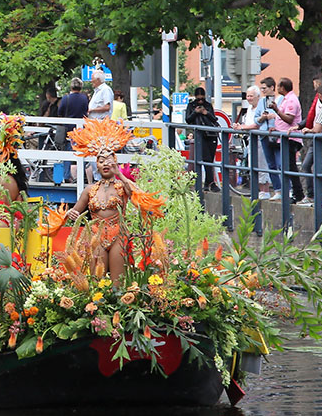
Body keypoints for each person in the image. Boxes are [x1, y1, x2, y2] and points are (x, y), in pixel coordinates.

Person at [64, 118, 165, 283]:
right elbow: (74, 212)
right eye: (101, 160)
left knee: (118, 284)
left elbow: (137, 194)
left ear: (115, 162)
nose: (105, 163)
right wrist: (71, 213)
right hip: (96, 236)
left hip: (118, 236)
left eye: (109, 160)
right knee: (97, 282)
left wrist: (119, 174)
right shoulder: (89, 190)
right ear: (96, 164)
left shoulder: (121, 186)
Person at [233, 85, 273, 198]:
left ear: (257, 97)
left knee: (262, 164)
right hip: (252, 139)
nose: (249, 98)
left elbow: (257, 125)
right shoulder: (249, 109)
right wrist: (240, 126)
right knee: (253, 164)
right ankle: (258, 190)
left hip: (260, 138)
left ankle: (265, 190)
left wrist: (242, 128)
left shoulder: (260, 108)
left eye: (251, 96)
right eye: (247, 96)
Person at [271, 77, 304, 202]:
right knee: (287, 167)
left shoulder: (291, 100)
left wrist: (277, 110)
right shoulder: (286, 99)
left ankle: (298, 194)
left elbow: (289, 119)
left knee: (291, 167)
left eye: (278, 86)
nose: (277, 88)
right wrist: (277, 128)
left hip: (291, 138)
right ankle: (295, 193)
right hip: (285, 137)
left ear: (283, 87)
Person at [185, 86, 218, 191]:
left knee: (210, 159)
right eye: (198, 99)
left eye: (202, 99)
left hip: (211, 134)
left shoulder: (208, 105)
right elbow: (188, 120)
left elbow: (214, 119)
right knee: (206, 158)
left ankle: (208, 183)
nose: (200, 101)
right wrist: (195, 112)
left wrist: (206, 113)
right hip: (200, 135)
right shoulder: (191, 106)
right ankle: (211, 183)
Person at [299, 74, 322, 185]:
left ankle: (321, 195)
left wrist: (311, 129)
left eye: (315, 84)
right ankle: (312, 195)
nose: (314, 87)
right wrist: (300, 126)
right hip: (317, 136)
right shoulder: (317, 98)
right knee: (307, 165)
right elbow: (313, 115)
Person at [256, 77, 282, 200]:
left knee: (280, 163)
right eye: (261, 88)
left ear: (272, 88)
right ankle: (277, 190)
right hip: (264, 134)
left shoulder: (280, 99)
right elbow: (256, 118)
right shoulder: (261, 102)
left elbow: (285, 116)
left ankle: (287, 189)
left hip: (276, 135)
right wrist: (262, 118)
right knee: (271, 164)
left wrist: (274, 116)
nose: (263, 91)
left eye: (264, 88)